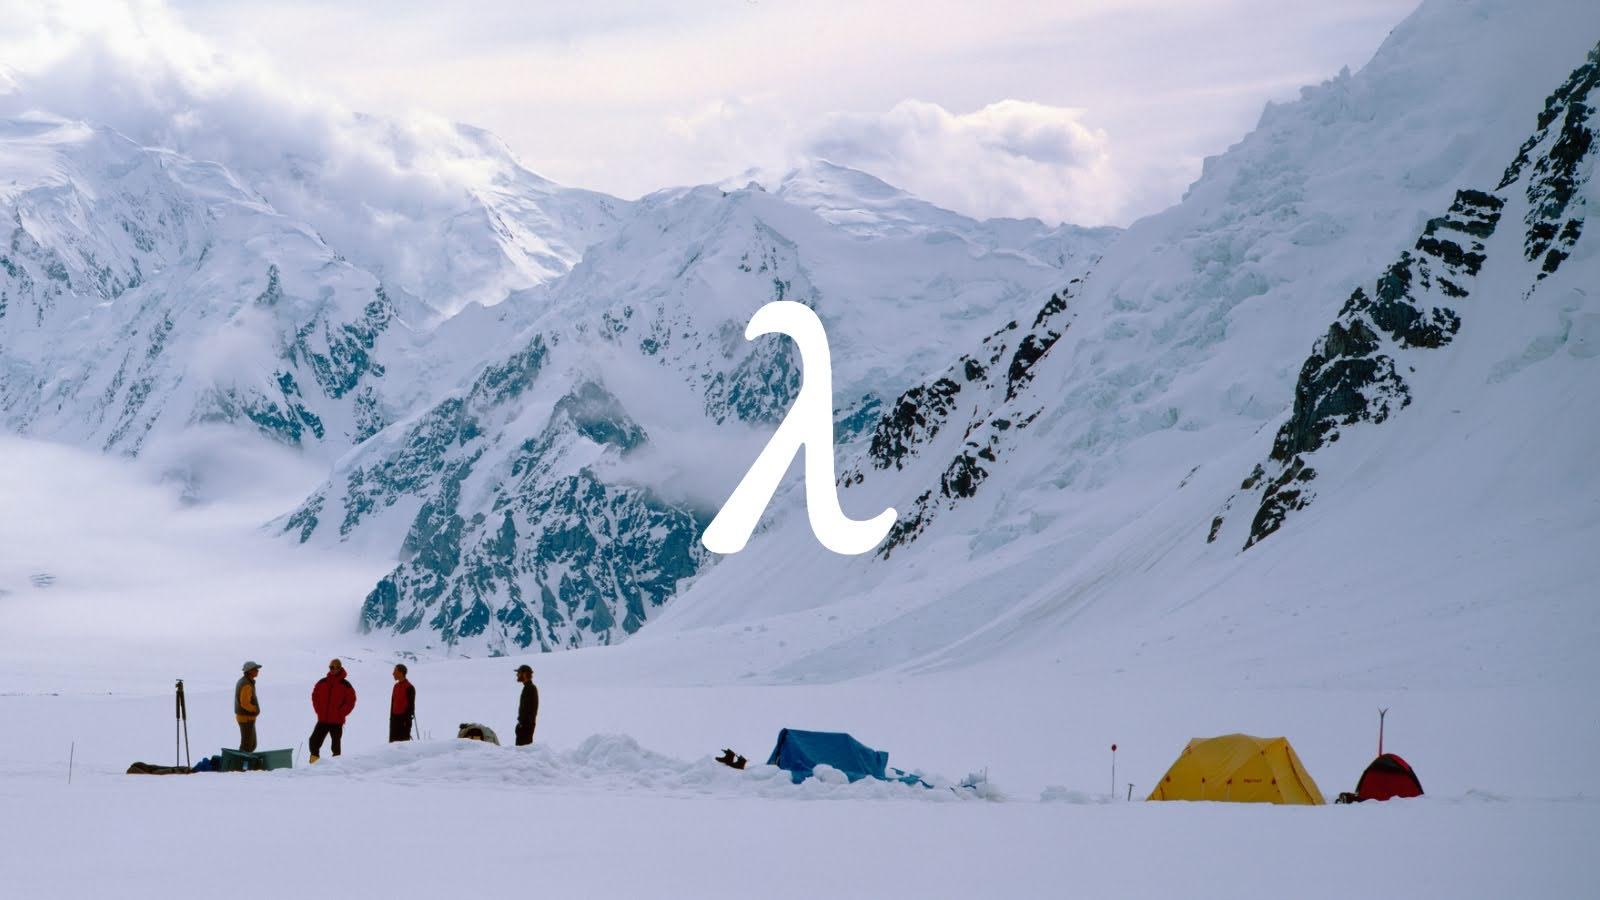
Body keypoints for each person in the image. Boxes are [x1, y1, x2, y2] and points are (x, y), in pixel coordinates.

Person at [309, 658, 357, 763]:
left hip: (336, 721)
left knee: (335, 748)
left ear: (339, 668)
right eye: (330, 667)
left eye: (334, 667)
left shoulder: (346, 685)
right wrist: (319, 710)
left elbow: (351, 701)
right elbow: (315, 696)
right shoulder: (322, 682)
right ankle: (314, 765)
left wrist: (341, 713)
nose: (332, 669)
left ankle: (336, 768)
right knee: (313, 742)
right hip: (323, 720)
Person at [235, 661, 262, 752]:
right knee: (247, 745)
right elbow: (244, 703)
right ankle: (241, 761)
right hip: (246, 718)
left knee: (252, 744)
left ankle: (244, 760)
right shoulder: (246, 684)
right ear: (249, 671)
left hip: (247, 718)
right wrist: (255, 709)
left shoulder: (246, 682)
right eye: (255, 669)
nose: (257, 671)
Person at [389, 664, 416, 742]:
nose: (393, 673)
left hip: (404, 722)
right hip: (394, 721)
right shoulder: (395, 686)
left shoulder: (410, 687)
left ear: (401, 673)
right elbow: (392, 704)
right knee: (392, 745)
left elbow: (411, 707)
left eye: (395, 671)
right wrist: (391, 719)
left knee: (403, 746)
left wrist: (406, 722)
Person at [514, 664, 539, 747]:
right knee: (522, 750)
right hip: (525, 726)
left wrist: (522, 724)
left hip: (526, 727)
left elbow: (529, 710)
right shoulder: (528, 688)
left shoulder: (530, 688)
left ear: (524, 674)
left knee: (522, 751)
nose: (517, 675)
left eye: (519, 673)